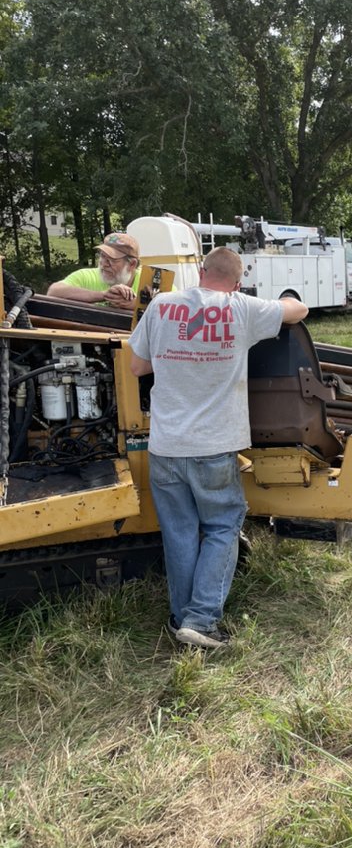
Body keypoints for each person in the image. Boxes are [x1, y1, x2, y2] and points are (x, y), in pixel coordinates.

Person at [129, 246, 308, 649]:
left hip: (165, 446)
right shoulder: (240, 308)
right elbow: (297, 310)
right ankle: (202, 620)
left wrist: (180, 355)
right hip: (212, 446)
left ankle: (180, 618)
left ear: (200, 272)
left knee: (178, 533)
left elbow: (138, 366)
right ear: (238, 282)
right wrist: (285, 301)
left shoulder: (160, 305)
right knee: (223, 526)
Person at [47, 232, 142, 311]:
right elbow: (53, 291)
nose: (104, 264)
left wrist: (136, 304)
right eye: (102, 256)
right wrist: (103, 295)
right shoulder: (86, 276)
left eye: (112, 260)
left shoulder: (148, 279)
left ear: (132, 264)